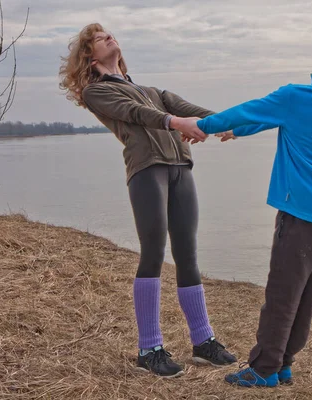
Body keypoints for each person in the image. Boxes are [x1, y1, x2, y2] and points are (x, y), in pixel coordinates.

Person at [179, 44, 312, 387]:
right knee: (303, 292)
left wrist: (201, 125)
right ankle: (284, 361)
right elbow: (273, 117)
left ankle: (264, 368)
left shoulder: (296, 96)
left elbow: (250, 110)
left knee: (282, 294)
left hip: (302, 214)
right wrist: (238, 131)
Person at [59, 23, 236, 379]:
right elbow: (140, 115)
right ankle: (149, 348)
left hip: (180, 167)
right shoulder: (96, 93)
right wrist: (178, 123)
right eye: (97, 38)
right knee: (153, 252)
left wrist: (226, 123)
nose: (108, 37)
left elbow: (191, 110)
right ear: (90, 58)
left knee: (188, 253)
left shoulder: (152, 90)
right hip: (146, 170)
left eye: (108, 33)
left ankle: (203, 342)